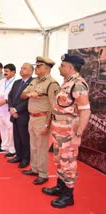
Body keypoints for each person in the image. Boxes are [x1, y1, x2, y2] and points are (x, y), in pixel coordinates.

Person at [42, 54, 91, 208]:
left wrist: (78, 134)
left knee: (68, 163)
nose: (59, 67)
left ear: (70, 67)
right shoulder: (67, 82)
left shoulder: (78, 84)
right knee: (59, 160)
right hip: (59, 129)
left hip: (69, 131)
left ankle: (68, 196)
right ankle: (60, 187)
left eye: (62, 65)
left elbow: (85, 111)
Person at [21, 56, 60, 185]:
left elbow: (54, 107)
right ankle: (35, 168)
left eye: (39, 66)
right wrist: (30, 94)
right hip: (32, 117)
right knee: (33, 145)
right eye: (36, 65)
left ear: (47, 68)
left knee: (42, 147)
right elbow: (22, 95)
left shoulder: (52, 84)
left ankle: (43, 174)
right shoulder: (34, 81)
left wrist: (47, 124)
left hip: (42, 118)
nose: (36, 68)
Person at [7, 63, 34, 168]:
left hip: (24, 114)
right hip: (14, 114)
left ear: (31, 71)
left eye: (24, 68)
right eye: (21, 68)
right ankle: (18, 155)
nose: (21, 70)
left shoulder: (33, 82)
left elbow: (29, 100)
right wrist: (11, 108)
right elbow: (10, 96)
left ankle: (26, 159)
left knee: (24, 138)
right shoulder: (17, 82)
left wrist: (17, 109)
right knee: (16, 137)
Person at [0, 64, 16, 157]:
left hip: (9, 109)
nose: (5, 73)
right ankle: (4, 147)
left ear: (13, 72)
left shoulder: (16, 82)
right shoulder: (2, 81)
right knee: (2, 128)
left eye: (7, 71)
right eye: (4, 71)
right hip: (0, 109)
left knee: (10, 129)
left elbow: (15, 97)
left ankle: (12, 149)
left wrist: (5, 101)